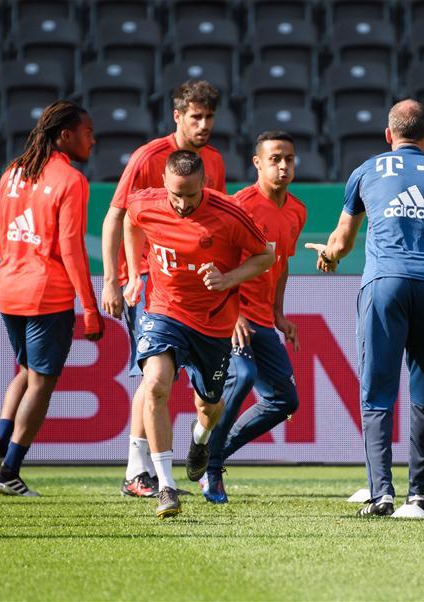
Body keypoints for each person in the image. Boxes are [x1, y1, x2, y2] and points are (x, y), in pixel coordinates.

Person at [306, 99, 424, 517]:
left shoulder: (366, 171)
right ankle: (418, 495)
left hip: (384, 284)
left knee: (377, 389)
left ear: (389, 136)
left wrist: (328, 256)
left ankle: (380, 493)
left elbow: (343, 241)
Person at [122, 151, 273, 518]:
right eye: (176, 194)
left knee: (210, 407)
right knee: (155, 383)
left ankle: (199, 440)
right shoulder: (146, 202)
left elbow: (265, 255)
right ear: (164, 183)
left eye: (190, 195)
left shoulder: (229, 213)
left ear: (203, 184)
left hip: (213, 324)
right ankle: (166, 488)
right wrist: (132, 274)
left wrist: (227, 279)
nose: (183, 203)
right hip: (164, 310)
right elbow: (130, 221)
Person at [100, 80, 226, 498]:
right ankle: (138, 473)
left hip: (196, 288)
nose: (204, 124)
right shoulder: (148, 157)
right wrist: (119, 278)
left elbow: (217, 224)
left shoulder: (214, 163)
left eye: (209, 116)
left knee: (173, 385)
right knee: (152, 377)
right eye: (196, 116)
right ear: (178, 116)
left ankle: (144, 471)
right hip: (150, 280)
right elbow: (116, 216)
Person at [0, 100, 104, 496]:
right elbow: (71, 249)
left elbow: (1, 236)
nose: (93, 139)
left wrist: (15, 268)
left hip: (8, 289)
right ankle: (9, 471)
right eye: (87, 132)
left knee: (25, 371)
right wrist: (90, 308)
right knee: (42, 383)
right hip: (46, 294)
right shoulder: (71, 180)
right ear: (65, 135)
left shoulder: (12, 172)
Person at [199, 131, 307, 503]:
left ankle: (212, 453)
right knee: (242, 376)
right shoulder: (238, 205)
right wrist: (232, 314)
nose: (283, 166)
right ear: (257, 162)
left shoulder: (297, 210)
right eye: (275, 158)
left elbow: (282, 263)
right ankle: (212, 471)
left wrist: (279, 313)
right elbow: (216, 263)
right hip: (232, 318)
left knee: (284, 401)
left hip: (262, 320)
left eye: (289, 159)